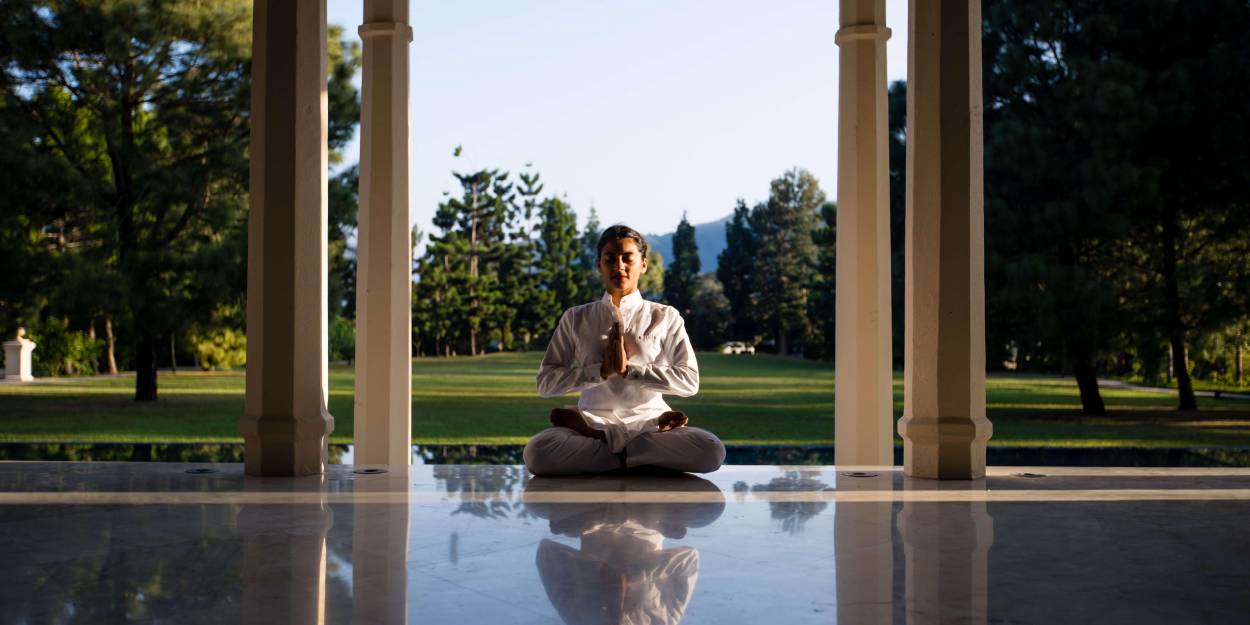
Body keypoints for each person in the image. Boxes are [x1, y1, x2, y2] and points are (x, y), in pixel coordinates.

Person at [524, 225, 726, 476]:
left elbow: (689, 381)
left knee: (711, 451)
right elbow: (546, 383)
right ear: (599, 265)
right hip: (592, 420)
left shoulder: (665, 316)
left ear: (643, 264)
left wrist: (630, 370)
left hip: (651, 423)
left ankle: (609, 449)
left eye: (627, 258)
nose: (619, 266)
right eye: (610, 259)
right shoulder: (576, 318)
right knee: (537, 453)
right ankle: (634, 456)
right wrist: (601, 371)